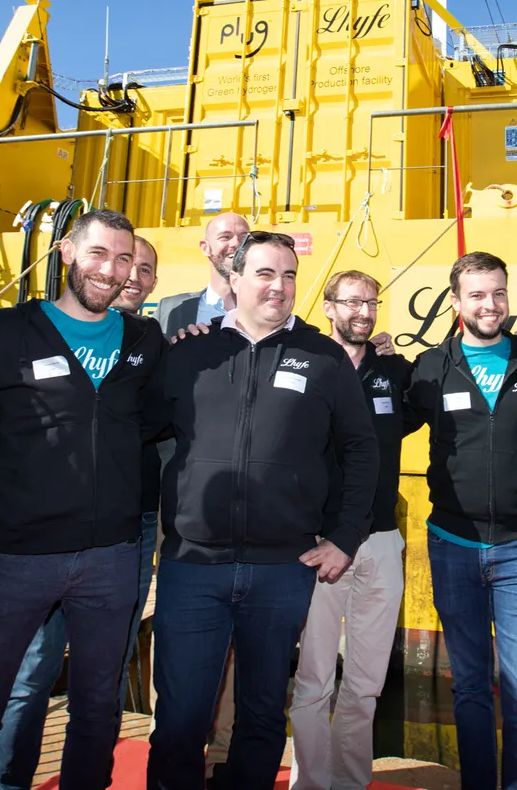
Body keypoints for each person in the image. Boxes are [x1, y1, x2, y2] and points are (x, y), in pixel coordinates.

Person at [0, 210, 164, 790]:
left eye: (123, 260)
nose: (110, 270)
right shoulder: (8, 330)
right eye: (97, 254)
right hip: (19, 558)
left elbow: (168, 420)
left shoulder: (145, 341)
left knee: (95, 710)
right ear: (67, 252)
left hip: (111, 559)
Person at [147, 231, 378, 790]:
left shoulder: (324, 357)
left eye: (289, 275)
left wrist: (345, 537)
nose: (279, 286)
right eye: (265, 273)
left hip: (282, 569)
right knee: (179, 718)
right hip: (192, 566)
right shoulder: (191, 351)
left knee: (261, 714)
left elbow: (360, 450)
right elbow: (142, 429)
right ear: (233, 279)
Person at [405, 251, 517, 790]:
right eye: (477, 294)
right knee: (471, 689)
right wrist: (372, 357)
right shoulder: (433, 367)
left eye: (498, 293)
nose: (490, 304)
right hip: (452, 543)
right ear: (455, 302)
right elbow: (383, 420)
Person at [288, 270, 415, 790]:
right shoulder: (311, 365)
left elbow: (460, 367)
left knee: (365, 684)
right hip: (321, 542)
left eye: (372, 302)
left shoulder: (395, 372)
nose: (363, 312)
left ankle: (351, 782)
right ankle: (311, 783)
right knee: (314, 678)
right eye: (352, 302)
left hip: (381, 540)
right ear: (329, 307)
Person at [154, 212, 249, 333]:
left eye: (244, 238)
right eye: (225, 237)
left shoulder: (269, 309)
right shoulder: (170, 310)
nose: (236, 244)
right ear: (205, 248)